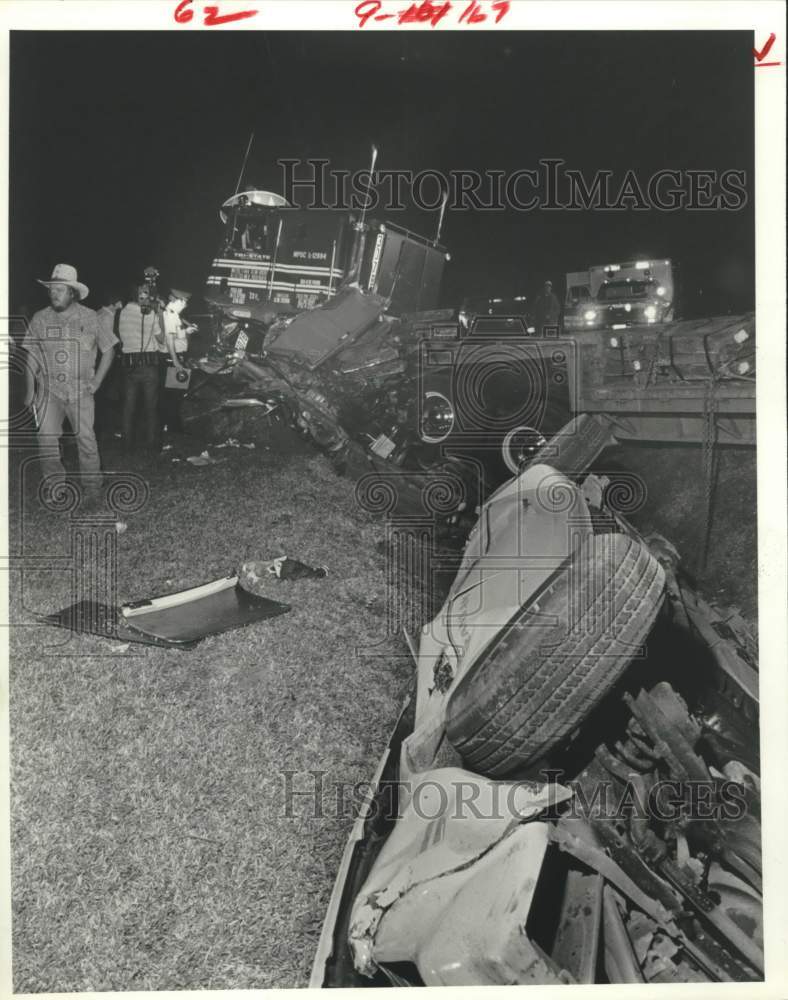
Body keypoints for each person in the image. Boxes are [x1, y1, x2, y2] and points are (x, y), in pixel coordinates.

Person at [23, 263, 117, 501]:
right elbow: (31, 356)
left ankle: (93, 489)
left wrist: (97, 381)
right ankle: (55, 487)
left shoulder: (91, 317)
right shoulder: (40, 318)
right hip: (49, 391)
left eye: (60, 289)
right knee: (46, 440)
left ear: (72, 293)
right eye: (51, 289)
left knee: (86, 440)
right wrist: (30, 389)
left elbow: (109, 350)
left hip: (80, 391)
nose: (54, 294)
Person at [116, 283, 167, 454]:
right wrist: (160, 313)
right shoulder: (150, 313)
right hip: (148, 365)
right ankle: (152, 446)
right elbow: (161, 338)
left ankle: (126, 445)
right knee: (151, 407)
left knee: (128, 407)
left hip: (129, 365)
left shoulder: (123, 311)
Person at [158, 288, 195, 437]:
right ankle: (171, 428)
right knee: (172, 396)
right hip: (172, 358)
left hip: (176, 357)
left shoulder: (174, 315)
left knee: (175, 394)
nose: (185, 305)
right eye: (183, 302)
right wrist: (176, 363)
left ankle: (172, 426)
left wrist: (187, 331)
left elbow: (176, 336)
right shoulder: (170, 315)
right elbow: (169, 341)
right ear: (175, 300)